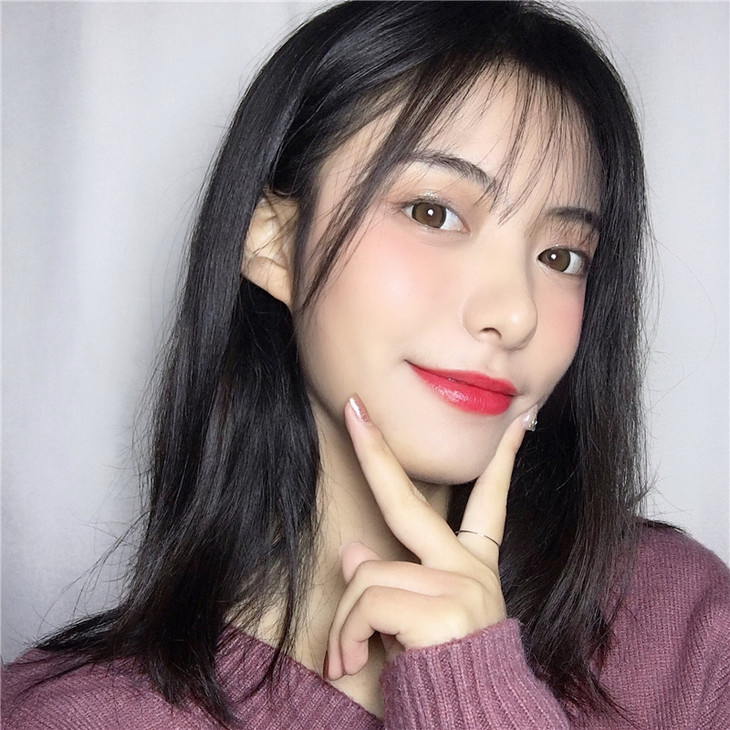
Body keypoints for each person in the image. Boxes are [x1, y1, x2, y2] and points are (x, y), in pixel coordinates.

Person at [3, 1, 729, 728]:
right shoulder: (78, 714)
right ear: (274, 241)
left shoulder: (681, 625)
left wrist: (475, 688)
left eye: (561, 256)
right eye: (433, 213)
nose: (515, 313)